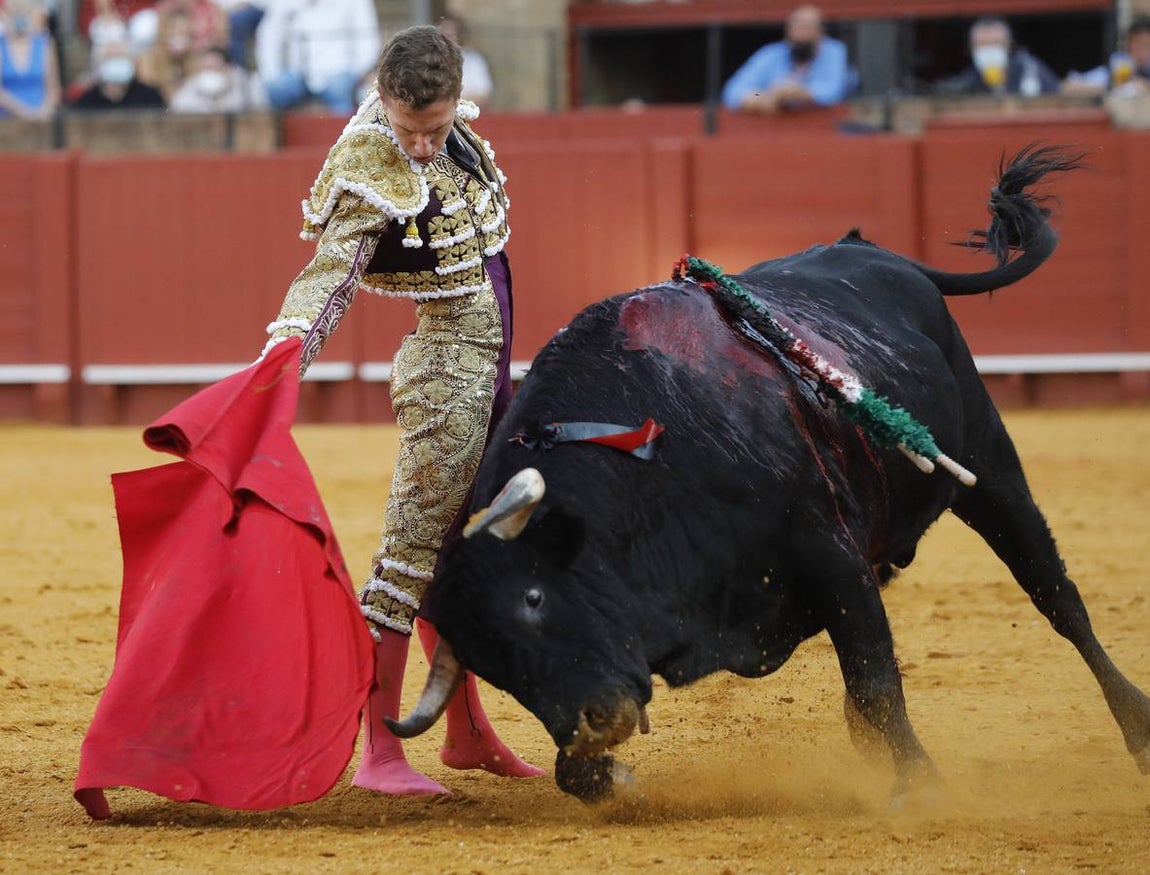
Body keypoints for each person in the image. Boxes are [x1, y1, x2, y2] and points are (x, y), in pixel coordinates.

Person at [259, 24, 542, 795]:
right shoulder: (368, 163)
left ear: (456, 103)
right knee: (408, 558)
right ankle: (380, 754)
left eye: (435, 128)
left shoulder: (454, 136)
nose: (420, 147)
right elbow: (329, 276)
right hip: (447, 377)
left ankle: (466, 732)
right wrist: (284, 357)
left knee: (459, 554)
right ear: (382, 99)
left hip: (490, 369)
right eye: (408, 128)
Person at [720, 4, 852, 114]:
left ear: (821, 32)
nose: (802, 33)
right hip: (773, 131)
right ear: (788, 32)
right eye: (797, 27)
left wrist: (799, 93)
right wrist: (761, 97)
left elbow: (834, 91)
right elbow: (733, 92)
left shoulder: (835, 52)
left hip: (824, 130)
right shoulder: (771, 54)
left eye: (808, 27)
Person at [255, 0, 380, 114]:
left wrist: (355, 74)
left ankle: (344, 135)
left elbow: (368, 42)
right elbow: (269, 38)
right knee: (277, 89)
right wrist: (272, 74)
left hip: (339, 74)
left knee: (341, 91)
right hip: (298, 75)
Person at [935, 17, 1060, 97]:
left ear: (1008, 46)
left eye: (995, 43)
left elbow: (1057, 98)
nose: (989, 50)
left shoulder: (1031, 70)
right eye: (982, 44)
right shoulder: (967, 80)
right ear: (971, 49)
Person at [0, 0, 61, 119]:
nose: (19, 15)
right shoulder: (1, 45)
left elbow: (54, 89)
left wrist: (44, 112)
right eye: (15, 10)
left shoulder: (44, 44)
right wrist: (24, 112)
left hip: (42, 121)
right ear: (5, 13)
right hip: (6, 121)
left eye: (24, 10)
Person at [1063, 18, 1150, 98]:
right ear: (1128, 44)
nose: (1141, 49)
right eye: (1137, 43)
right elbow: (1070, 86)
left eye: (1146, 44)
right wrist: (1118, 87)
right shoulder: (1120, 65)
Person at [70, 36, 165, 109]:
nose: (116, 63)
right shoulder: (86, 102)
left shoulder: (150, 97)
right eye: (110, 57)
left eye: (120, 57)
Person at [169, 43, 266, 111]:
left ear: (228, 68)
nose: (211, 73)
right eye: (207, 69)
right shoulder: (191, 88)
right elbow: (178, 107)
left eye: (216, 68)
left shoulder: (247, 87)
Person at [437, 13, 492, 107]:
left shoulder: (474, 60)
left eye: (451, 35)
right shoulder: (429, 60)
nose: (448, 40)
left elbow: (483, 94)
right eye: (444, 36)